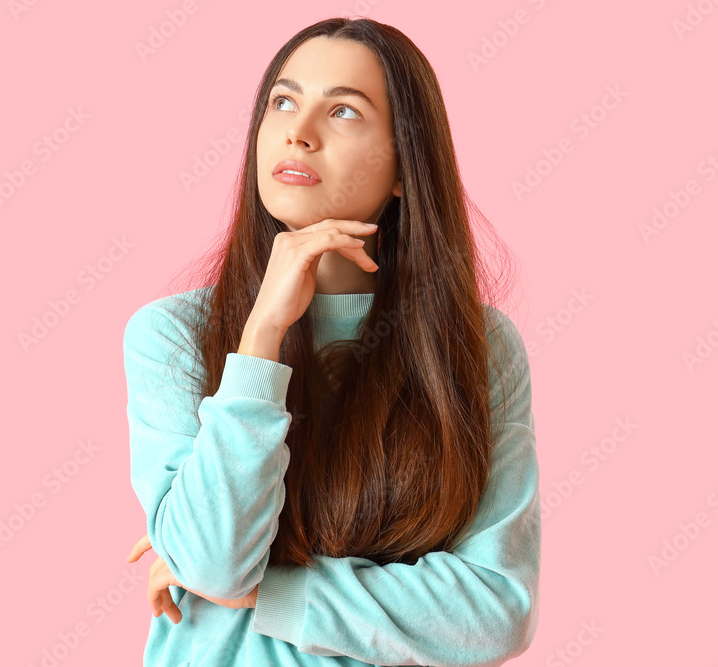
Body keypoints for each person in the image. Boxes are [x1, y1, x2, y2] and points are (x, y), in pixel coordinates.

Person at [123, 16, 540, 667]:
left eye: (343, 110)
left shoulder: (479, 346)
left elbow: (495, 611)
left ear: (405, 167)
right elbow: (213, 563)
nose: (298, 131)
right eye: (282, 102)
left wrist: (270, 590)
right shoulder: (174, 334)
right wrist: (260, 338)